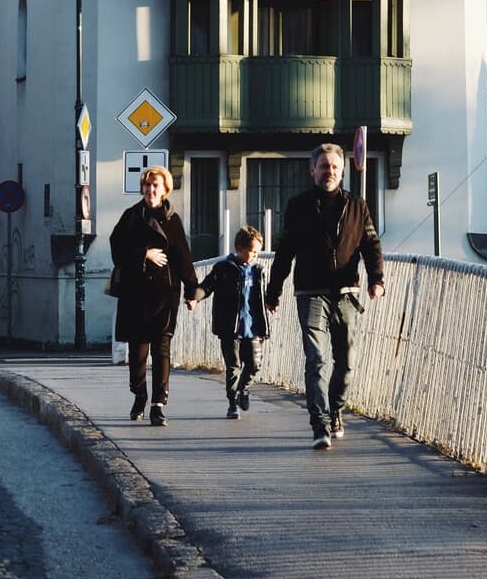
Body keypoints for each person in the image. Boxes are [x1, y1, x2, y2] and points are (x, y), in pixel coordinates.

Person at [266, 142, 384, 450]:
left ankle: (337, 410)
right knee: (316, 359)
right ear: (312, 170)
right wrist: (273, 290)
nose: (328, 171)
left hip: (346, 292)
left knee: (346, 362)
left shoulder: (357, 205)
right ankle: (319, 423)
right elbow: (285, 251)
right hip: (311, 292)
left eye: (334, 166)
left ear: (342, 171)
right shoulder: (298, 206)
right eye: (323, 166)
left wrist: (376, 279)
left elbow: (371, 245)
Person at [109, 165, 199, 426]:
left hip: (165, 294)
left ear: (165, 189)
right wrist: (143, 254)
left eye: (155, 185)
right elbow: (116, 251)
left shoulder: (172, 219)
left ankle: (158, 404)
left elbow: (183, 256)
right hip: (136, 295)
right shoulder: (130, 217)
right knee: (137, 355)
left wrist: (192, 290)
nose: (150, 190)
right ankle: (140, 394)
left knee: (162, 350)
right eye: (147, 186)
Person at [200, 225, 268, 418]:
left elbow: (262, 298)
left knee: (254, 364)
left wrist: (272, 303)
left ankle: (243, 390)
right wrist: (194, 297)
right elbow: (206, 286)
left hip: (253, 327)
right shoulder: (223, 268)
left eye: (257, 252)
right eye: (252, 251)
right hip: (230, 327)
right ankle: (232, 403)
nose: (255, 255)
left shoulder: (258, 271)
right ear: (239, 248)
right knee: (233, 366)